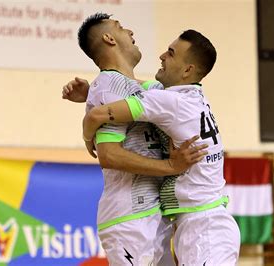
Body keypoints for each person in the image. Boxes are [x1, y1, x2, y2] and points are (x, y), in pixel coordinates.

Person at [82, 30, 241, 265]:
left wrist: (87, 137)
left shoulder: (169, 102)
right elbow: (133, 86)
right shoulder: (190, 96)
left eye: (171, 53)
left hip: (205, 228)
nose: (162, 56)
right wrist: (91, 91)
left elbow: (97, 115)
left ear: (187, 70)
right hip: (197, 224)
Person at [65, 13, 207, 265]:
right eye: (120, 27)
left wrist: (89, 99)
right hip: (129, 217)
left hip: (152, 213)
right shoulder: (109, 85)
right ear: (109, 38)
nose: (130, 31)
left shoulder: (134, 88)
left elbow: (142, 94)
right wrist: (170, 167)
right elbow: (109, 155)